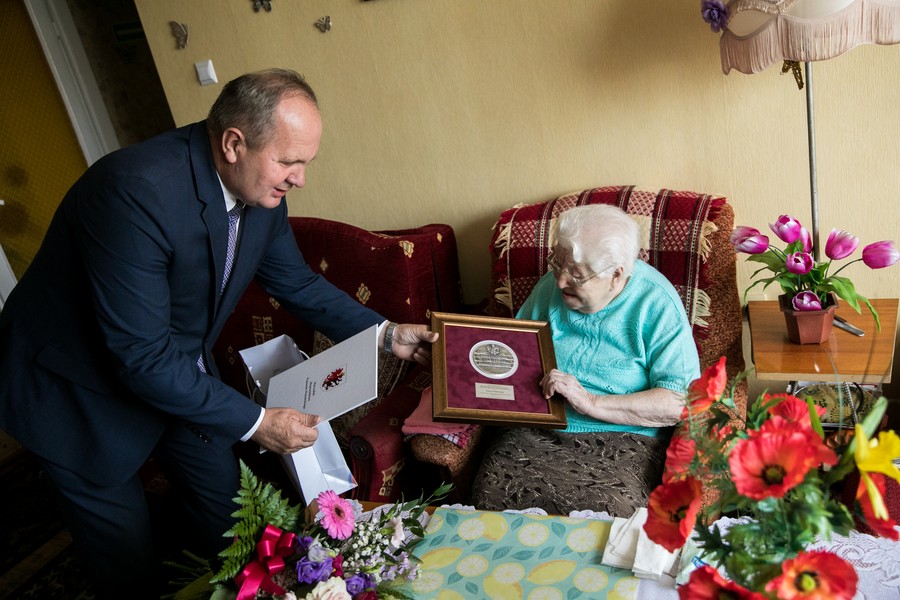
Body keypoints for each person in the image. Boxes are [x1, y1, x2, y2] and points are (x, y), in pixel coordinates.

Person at [0, 68, 437, 598]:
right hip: (76, 392)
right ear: (234, 143)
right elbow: (139, 355)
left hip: (175, 374)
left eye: (306, 162)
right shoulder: (132, 193)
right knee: (130, 565)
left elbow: (295, 281)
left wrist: (386, 334)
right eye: (289, 161)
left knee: (237, 516)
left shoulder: (259, 191)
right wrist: (257, 422)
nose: (300, 178)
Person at [471, 203, 700, 516]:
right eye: (557, 263)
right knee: (491, 490)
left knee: (608, 509)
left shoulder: (655, 302)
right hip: (538, 432)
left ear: (616, 276)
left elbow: (679, 401)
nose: (561, 281)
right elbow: (513, 352)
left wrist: (591, 402)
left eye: (576, 275)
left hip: (623, 439)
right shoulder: (550, 287)